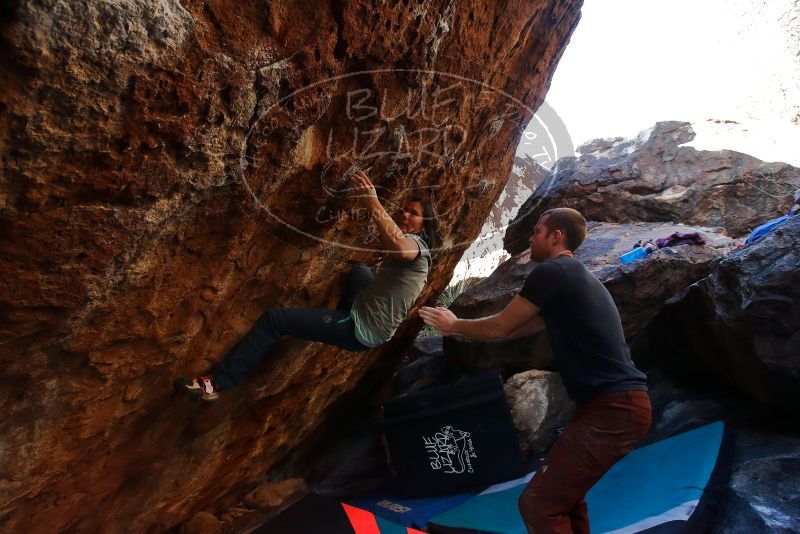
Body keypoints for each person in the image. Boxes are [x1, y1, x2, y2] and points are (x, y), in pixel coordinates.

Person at [419, 207, 650, 534]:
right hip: (613, 407)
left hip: (614, 410)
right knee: (567, 500)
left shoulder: (553, 272)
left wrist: (455, 322)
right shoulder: (571, 278)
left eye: (537, 231)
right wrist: (457, 330)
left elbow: (500, 327)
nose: (530, 237)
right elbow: (515, 330)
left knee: (539, 503)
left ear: (556, 237)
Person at [175, 170, 440, 401]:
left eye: (413, 214)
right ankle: (332, 319)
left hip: (362, 329)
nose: (404, 214)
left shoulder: (418, 247)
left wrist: (372, 202)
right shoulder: (414, 246)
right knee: (359, 271)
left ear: (424, 225)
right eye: (404, 209)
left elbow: (403, 251)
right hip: (369, 308)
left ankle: (217, 384)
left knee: (274, 319)